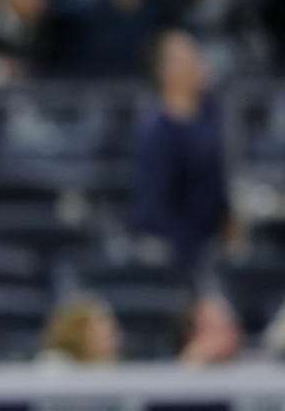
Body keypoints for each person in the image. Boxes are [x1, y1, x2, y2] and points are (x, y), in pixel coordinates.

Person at [132, 30, 231, 267]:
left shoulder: (211, 115)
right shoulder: (156, 130)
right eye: (189, 58)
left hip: (210, 244)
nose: (199, 63)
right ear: (165, 71)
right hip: (170, 252)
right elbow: (154, 209)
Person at [39, 295, 121, 364]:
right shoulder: (54, 366)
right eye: (102, 319)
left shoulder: (115, 369)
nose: (111, 326)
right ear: (77, 331)